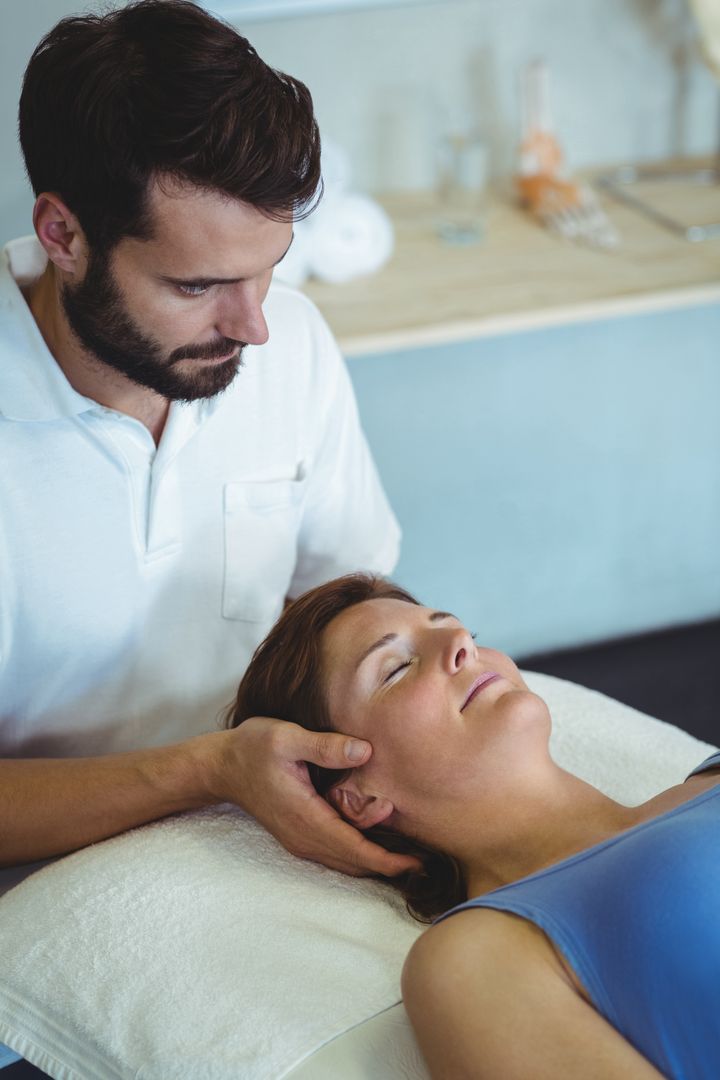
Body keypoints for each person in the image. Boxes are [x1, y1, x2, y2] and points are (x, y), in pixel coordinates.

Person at [0, 0, 414, 885]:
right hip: (41, 879)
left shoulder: (287, 342)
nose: (255, 326)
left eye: (270, 270)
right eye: (199, 285)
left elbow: (341, 602)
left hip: (256, 834)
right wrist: (207, 770)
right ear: (62, 235)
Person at [227, 572, 720, 1079]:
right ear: (359, 797)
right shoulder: (473, 961)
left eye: (462, 630)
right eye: (395, 669)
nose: (461, 643)